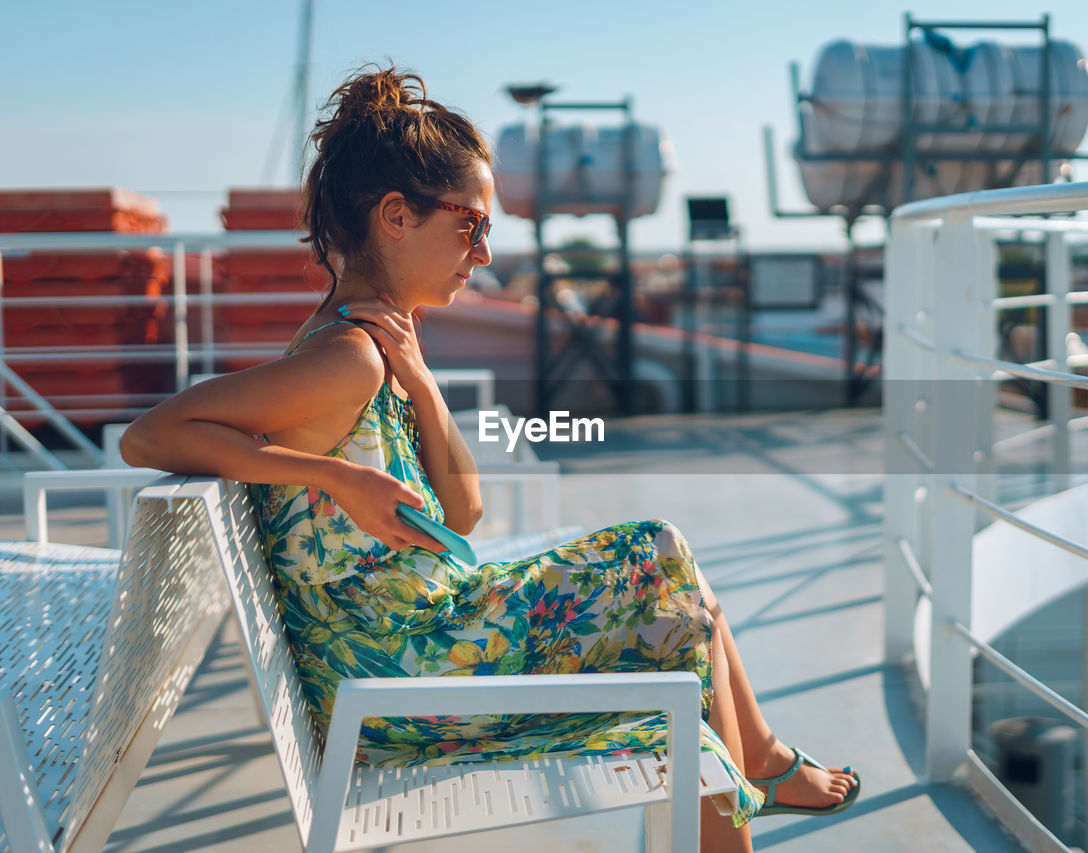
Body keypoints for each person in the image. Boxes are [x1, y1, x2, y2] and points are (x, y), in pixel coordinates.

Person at [121, 64, 858, 851]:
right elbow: (150, 436)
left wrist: (425, 385)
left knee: (670, 603)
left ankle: (764, 764)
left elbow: (465, 511)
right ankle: (767, 765)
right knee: (658, 567)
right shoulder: (348, 358)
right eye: (470, 224)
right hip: (402, 678)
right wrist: (333, 474)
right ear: (396, 216)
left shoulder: (382, 346)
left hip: (420, 643)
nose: (482, 251)